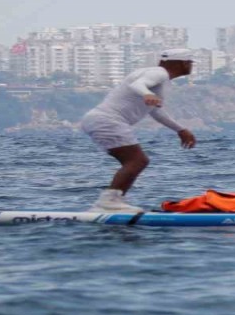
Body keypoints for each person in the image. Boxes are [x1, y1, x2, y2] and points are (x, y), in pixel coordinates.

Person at [78, 48, 197, 213]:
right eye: (191, 62)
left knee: (134, 161)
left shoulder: (155, 75)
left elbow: (156, 110)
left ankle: (111, 202)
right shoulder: (159, 73)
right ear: (183, 63)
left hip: (100, 120)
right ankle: (108, 204)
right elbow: (138, 85)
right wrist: (146, 93)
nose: (191, 66)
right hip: (107, 120)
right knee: (137, 161)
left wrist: (180, 129)